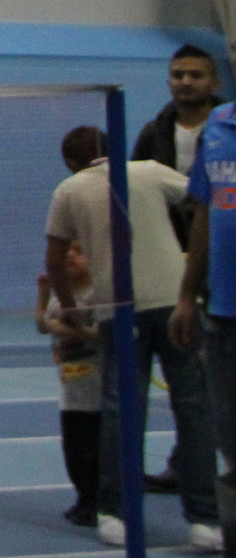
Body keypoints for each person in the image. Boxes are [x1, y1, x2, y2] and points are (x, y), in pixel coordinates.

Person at [44, 124, 216, 550]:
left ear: (69, 160)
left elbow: (53, 258)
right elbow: (204, 203)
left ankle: (114, 512)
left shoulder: (68, 189)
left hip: (118, 311)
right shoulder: (153, 172)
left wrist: (72, 310)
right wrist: (195, 274)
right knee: (193, 410)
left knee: (123, 411)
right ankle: (205, 518)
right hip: (174, 302)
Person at [136, 45, 221, 494]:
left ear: (215, 83)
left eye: (195, 75)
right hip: (172, 264)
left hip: (222, 261)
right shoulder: (153, 134)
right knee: (190, 372)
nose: (186, 82)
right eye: (178, 74)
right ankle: (185, 461)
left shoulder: (227, 130)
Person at [173, 93, 236, 557]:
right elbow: (204, 214)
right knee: (231, 445)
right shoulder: (217, 126)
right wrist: (186, 294)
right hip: (221, 313)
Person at [38, 242, 101, 527]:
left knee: (96, 453)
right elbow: (42, 324)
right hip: (71, 393)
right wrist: (42, 294)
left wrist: (60, 327)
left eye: (80, 250)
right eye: (67, 253)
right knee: (74, 455)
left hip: (97, 394)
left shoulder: (98, 296)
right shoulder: (59, 299)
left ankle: (98, 501)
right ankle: (84, 498)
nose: (72, 257)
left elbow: (100, 336)